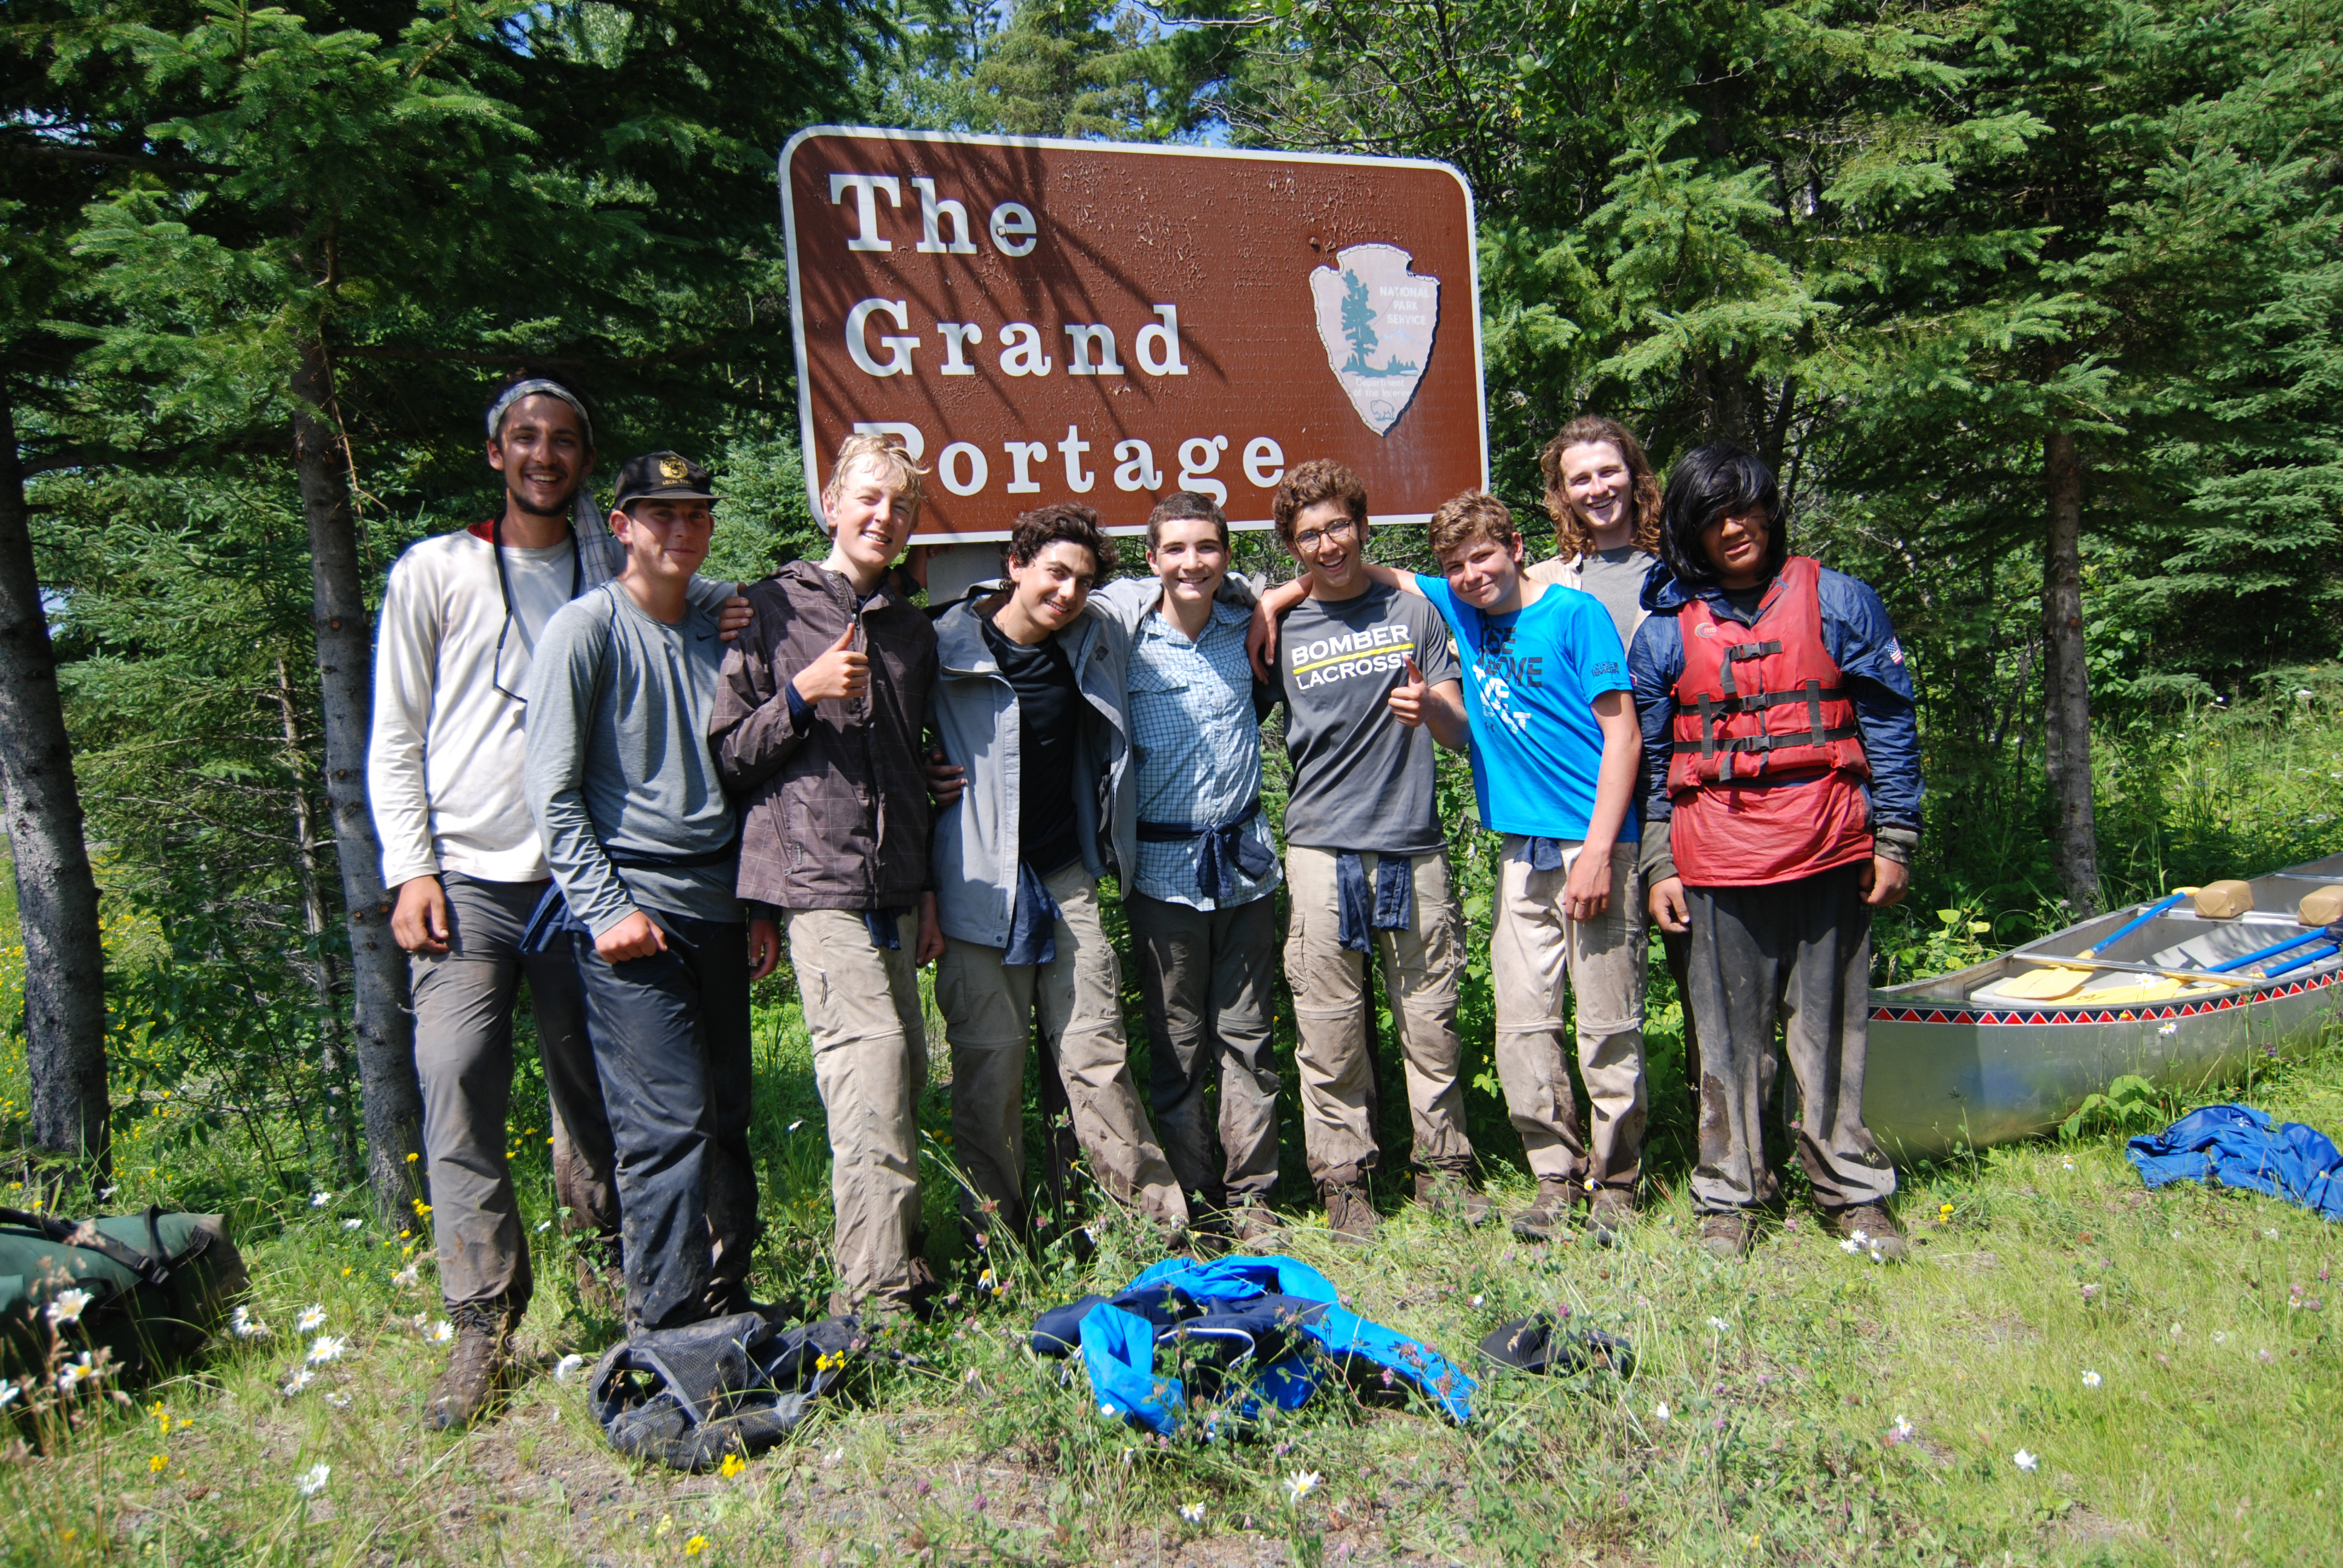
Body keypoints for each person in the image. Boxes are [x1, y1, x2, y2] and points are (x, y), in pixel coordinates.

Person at [369, 377, 746, 1426]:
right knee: (456, 1076)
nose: (544, 454)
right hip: (477, 877)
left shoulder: (615, 565)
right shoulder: (437, 571)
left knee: (614, 1103)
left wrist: (741, 604)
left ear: (588, 462)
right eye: (525, 439)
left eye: (564, 441)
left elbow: (696, 606)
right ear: (496, 452)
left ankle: (630, 1280)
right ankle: (481, 1322)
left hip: (604, 884)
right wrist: (412, 864)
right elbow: (395, 733)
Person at [1630, 443, 1921, 1261]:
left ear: (1771, 512)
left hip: (1830, 843)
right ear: (1691, 532)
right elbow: (1656, 764)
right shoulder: (1662, 636)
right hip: (1715, 858)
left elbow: (1890, 724)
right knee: (1727, 1044)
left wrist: (1894, 834)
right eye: (1716, 516)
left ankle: (1851, 1193)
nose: (1736, 526)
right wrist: (1659, 863)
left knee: (1830, 1034)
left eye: (1749, 508)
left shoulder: (1840, 602)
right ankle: (1732, 1194)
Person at [524, 450, 781, 1332]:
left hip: (718, 901)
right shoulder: (586, 631)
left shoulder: (722, 627)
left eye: (694, 514)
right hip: (635, 907)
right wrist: (605, 911)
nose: (679, 530)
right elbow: (552, 793)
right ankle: (664, 1328)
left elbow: (745, 771)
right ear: (622, 524)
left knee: (727, 1116)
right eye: (658, 514)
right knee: (665, 1128)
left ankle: (727, 1304)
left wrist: (754, 907)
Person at [710, 434, 943, 1320]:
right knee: (870, 1075)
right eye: (869, 499)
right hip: (816, 886)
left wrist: (923, 890)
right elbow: (731, 755)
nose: (883, 518)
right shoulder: (768, 608)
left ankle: (904, 1259)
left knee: (904, 1074)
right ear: (834, 500)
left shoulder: (910, 628)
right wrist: (801, 692)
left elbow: (912, 767)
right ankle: (875, 1299)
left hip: (893, 888)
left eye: (901, 507)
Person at [927, 503, 1190, 1250]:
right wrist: (917, 774)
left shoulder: (1089, 637)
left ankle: (1150, 1232)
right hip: (976, 889)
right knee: (990, 1072)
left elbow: (1174, 580)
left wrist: (1276, 595)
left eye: (1082, 579)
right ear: (1015, 564)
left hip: (1064, 877)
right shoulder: (940, 646)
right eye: (1054, 572)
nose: (1068, 591)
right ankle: (1000, 1246)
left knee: (1096, 1053)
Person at [1265, 459, 1480, 1244]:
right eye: (1309, 533)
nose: (1328, 544)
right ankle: (1344, 1184)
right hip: (1320, 849)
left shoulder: (1414, 612)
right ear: (1293, 546)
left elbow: (1460, 733)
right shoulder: (1281, 626)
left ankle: (1445, 1174)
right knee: (1328, 1026)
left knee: (1431, 1018)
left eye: (1338, 525)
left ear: (1362, 524)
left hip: (1411, 843)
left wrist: (1432, 709)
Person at [1085, 493, 1285, 1243]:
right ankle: (1194, 1198)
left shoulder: (1247, 628)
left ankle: (1253, 1197)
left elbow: (1296, 591)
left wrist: (1268, 598)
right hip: (1162, 873)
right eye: (1175, 549)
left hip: (1244, 868)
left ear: (1226, 556)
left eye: (1206, 547)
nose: (1191, 562)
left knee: (1248, 1038)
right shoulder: (1122, 640)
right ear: (1152, 559)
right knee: (1175, 1046)